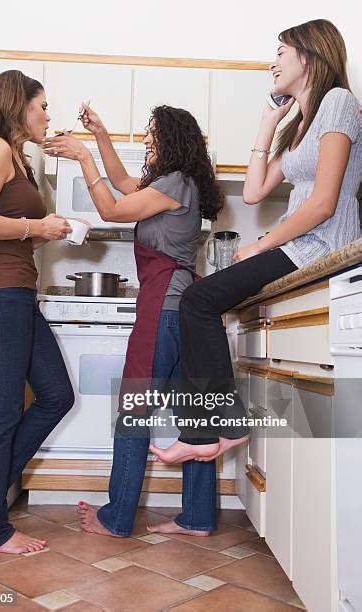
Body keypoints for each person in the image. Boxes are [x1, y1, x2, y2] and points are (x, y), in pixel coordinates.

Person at [150, 18, 362, 464]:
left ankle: (210, 430)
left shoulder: (339, 103)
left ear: (309, 54)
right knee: (199, 301)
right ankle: (216, 428)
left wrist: (262, 245)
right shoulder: (304, 124)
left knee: (196, 301)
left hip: (320, 247)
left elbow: (323, 203)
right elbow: (254, 191)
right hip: (300, 246)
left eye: (281, 53)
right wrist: (270, 122)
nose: (273, 63)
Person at [43, 104, 223, 536]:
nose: (146, 140)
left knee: (133, 410)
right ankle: (198, 517)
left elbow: (111, 208)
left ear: (173, 140)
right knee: (195, 417)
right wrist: (101, 134)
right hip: (185, 312)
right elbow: (124, 185)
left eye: (152, 134)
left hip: (164, 307)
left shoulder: (176, 183)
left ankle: (117, 516)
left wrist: (84, 158)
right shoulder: (173, 184)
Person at [0, 70, 75, 554]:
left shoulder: (20, 158)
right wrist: (37, 227)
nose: (49, 115)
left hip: (16, 293)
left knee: (56, 395)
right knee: (3, 410)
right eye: (43, 105)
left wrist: (45, 229)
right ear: (18, 105)